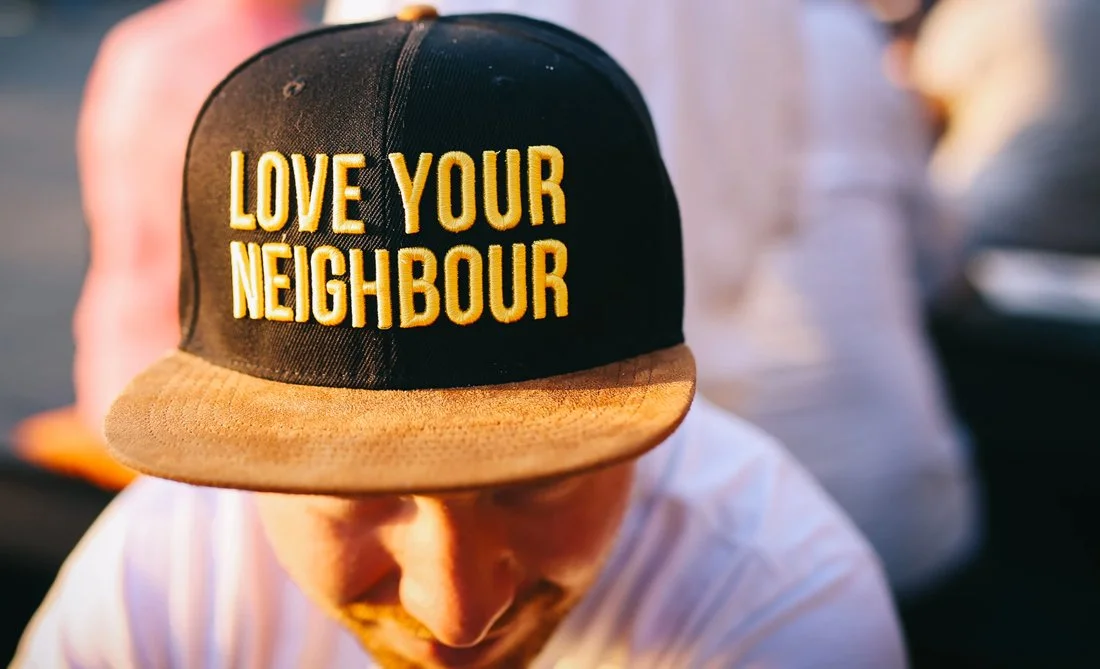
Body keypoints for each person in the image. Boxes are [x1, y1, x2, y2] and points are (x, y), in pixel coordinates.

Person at [14, 9, 906, 668]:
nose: (456, 612)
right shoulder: (165, 570)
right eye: (350, 489)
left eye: (540, 481)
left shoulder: (776, 600)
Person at [324, 0, 980, 599]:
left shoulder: (410, 41)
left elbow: (356, 306)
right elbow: (791, 220)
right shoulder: (811, 26)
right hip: (839, 490)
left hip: (588, 489)